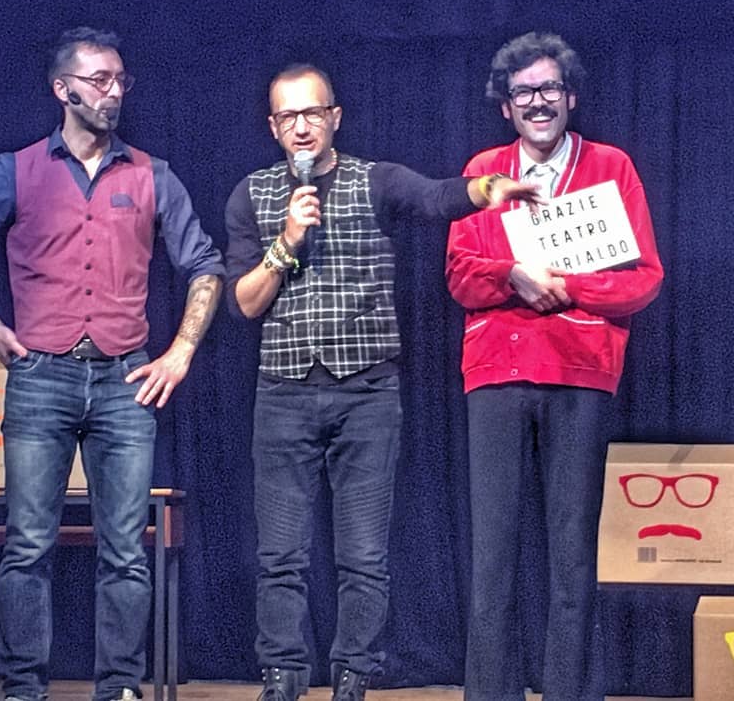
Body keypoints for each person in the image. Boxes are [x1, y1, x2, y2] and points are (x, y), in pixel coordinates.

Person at [0, 27, 224, 701]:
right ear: (63, 89)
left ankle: (118, 689)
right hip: (41, 378)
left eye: (120, 80)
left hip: (124, 381)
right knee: (28, 546)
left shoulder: (150, 175)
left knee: (125, 553)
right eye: (98, 79)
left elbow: (204, 265)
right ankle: (23, 690)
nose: (113, 92)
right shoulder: (18, 170)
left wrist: (180, 352)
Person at [224, 64, 540, 701]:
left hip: (366, 393)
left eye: (313, 113)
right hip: (283, 393)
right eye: (288, 117)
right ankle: (282, 676)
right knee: (280, 553)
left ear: (335, 117)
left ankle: (353, 677)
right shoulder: (251, 194)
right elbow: (244, 303)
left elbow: (437, 197)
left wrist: (490, 190)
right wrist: (287, 240)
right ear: (273, 127)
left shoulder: (376, 180)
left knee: (362, 553)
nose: (302, 127)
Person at [445, 32, 664, 701]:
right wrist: (513, 275)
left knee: (572, 556)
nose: (537, 102)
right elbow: (460, 275)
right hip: (497, 373)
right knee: (494, 556)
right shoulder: (485, 170)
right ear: (505, 106)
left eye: (548, 89)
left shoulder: (610, 167)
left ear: (570, 97)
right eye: (523, 93)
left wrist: (567, 285)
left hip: (578, 372)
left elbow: (643, 278)